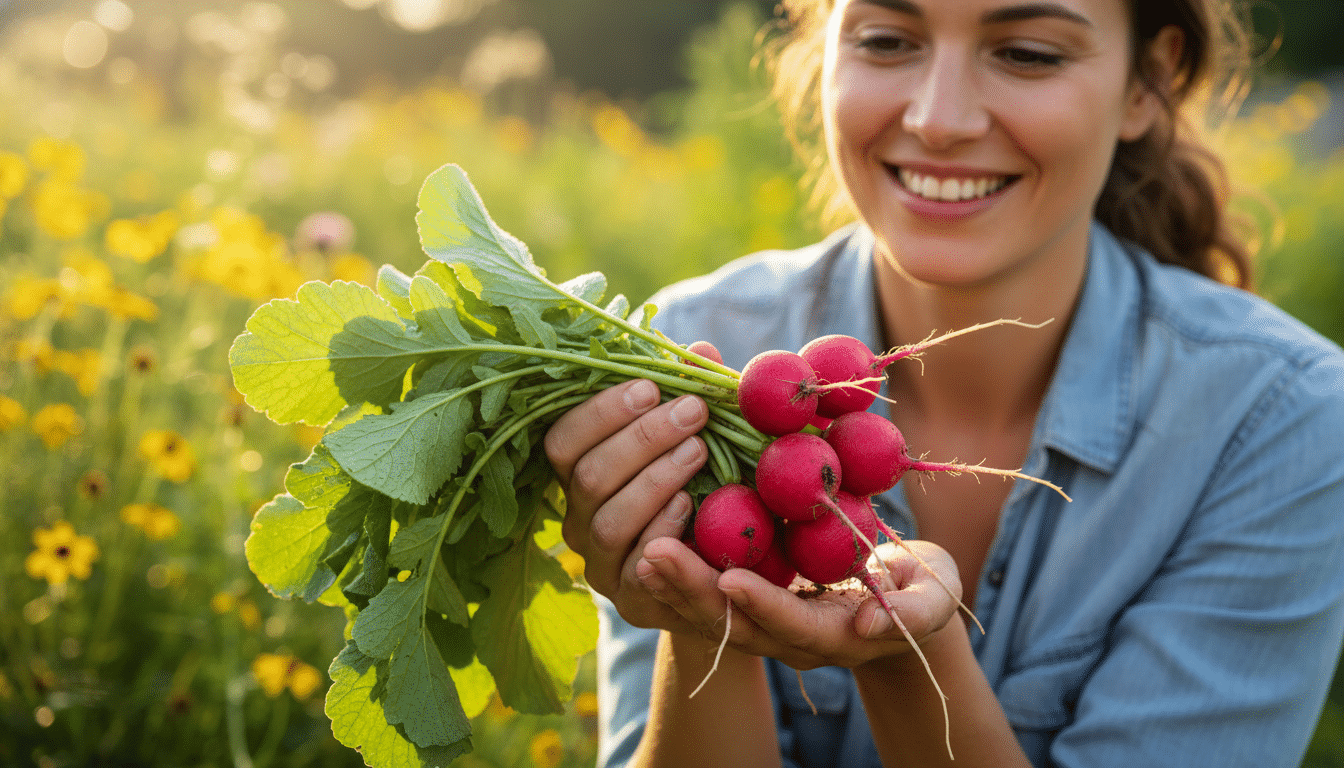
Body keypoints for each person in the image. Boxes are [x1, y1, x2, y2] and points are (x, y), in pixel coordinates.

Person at [542, 1, 1344, 766]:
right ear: (824, 45)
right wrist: (697, 618)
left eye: (1026, 53)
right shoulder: (691, 355)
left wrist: (908, 665)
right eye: (888, 41)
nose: (938, 117)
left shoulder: (1280, 417)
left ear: (1147, 84)